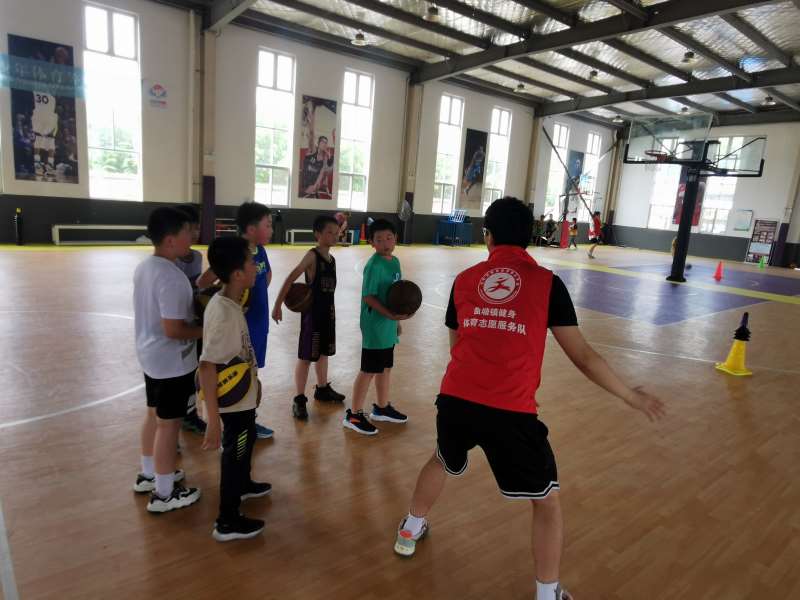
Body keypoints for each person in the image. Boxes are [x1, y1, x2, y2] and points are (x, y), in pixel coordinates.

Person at [392, 197, 665, 600]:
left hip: (455, 400)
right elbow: (583, 356)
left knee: (441, 459)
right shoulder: (547, 284)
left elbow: (457, 346)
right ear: (530, 236)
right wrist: (630, 395)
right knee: (547, 502)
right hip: (510, 413)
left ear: (487, 235)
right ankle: (547, 593)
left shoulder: (464, 280)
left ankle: (409, 529)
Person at [199, 236, 272, 542]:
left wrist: (254, 383)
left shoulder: (230, 302)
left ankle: (243, 485)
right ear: (238, 274)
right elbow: (207, 366)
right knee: (235, 454)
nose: (256, 267)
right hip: (232, 405)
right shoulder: (224, 313)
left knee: (247, 440)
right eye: (250, 262)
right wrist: (213, 420)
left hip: (244, 401)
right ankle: (227, 521)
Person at [133, 207, 202, 513]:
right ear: (171, 240)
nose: (193, 237)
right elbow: (174, 329)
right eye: (188, 232)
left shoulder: (146, 267)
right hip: (171, 361)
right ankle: (164, 494)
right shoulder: (171, 277)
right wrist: (208, 330)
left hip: (151, 355)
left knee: (154, 415)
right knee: (169, 425)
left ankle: (149, 473)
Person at [197, 202, 275, 440]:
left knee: (252, 371)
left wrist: (255, 293)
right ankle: (233, 425)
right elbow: (203, 282)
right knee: (236, 372)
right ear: (251, 229)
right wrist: (233, 296)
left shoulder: (260, 251)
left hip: (259, 322)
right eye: (267, 225)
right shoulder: (235, 254)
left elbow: (267, 275)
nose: (271, 230)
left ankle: (249, 421)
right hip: (240, 326)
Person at [272, 215, 346, 419]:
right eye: (329, 232)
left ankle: (322, 389)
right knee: (306, 357)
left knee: (324, 354)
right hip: (312, 316)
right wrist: (277, 305)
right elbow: (290, 278)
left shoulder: (332, 260)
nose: (334, 236)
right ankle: (299, 398)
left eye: (336, 232)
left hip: (328, 314)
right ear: (317, 234)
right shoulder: (312, 256)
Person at [343, 219, 410, 436]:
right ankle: (354, 415)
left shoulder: (395, 262)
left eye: (389, 238)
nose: (385, 243)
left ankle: (381, 408)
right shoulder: (374, 265)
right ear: (371, 242)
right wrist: (390, 316)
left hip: (388, 324)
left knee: (385, 367)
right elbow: (369, 297)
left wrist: (396, 321)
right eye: (379, 239)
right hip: (375, 325)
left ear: (395, 238)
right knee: (369, 370)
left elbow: (395, 295)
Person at [173, 204, 207, 435]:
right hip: (176, 326)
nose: (195, 233)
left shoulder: (196, 257)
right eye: (191, 228)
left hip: (194, 323)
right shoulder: (169, 261)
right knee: (174, 379)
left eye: (198, 228)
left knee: (192, 371)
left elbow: (198, 288)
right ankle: (170, 427)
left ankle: (190, 413)